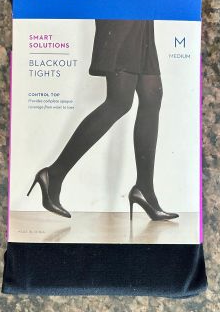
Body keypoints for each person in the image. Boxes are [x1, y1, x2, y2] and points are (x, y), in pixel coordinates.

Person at [27, 20, 179, 221]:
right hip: (121, 12)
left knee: (152, 97)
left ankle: (145, 189)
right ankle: (53, 175)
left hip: (142, 15)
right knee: (119, 101)